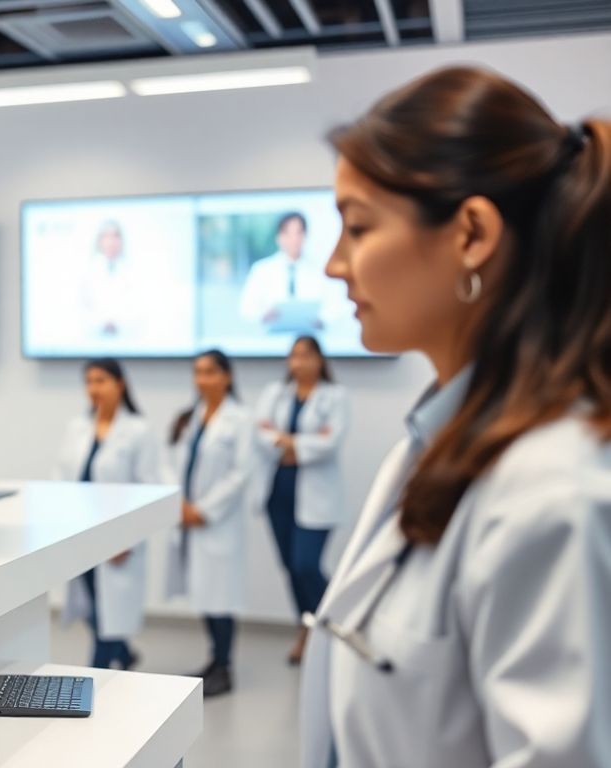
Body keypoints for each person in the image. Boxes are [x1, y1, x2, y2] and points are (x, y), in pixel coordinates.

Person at [300, 66, 611, 768]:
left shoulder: (551, 490)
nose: (333, 265)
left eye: (356, 228)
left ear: (471, 233)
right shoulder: (436, 435)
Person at [252, 336, 349, 665]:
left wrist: (288, 443)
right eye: (293, 356)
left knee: (307, 565)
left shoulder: (335, 396)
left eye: (306, 356)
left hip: (316, 495)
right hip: (278, 491)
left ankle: (337, 629)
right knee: (291, 568)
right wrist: (300, 443)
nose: (298, 362)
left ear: (320, 360)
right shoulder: (274, 393)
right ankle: (306, 630)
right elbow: (259, 433)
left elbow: (331, 442)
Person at [56, 359, 158, 670]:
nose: (94, 388)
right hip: (83, 535)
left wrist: (128, 538)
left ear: (120, 384)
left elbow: (148, 489)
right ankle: (124, 654)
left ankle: (93, 679)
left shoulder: (139, 431)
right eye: (89, 382)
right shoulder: (78, 427)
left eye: (101, 380)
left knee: (107, 614)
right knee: (91, 608)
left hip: (116, 540)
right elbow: (60, 478)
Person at [165, 349, 253, 697]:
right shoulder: (193, 417)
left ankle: (225, 666)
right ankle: (213, 661)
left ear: (226, 376)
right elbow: (174, 464)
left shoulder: (240, 419)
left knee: (221, 598)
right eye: (197, 372)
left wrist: (204, 510)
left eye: (210, 372)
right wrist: (182, 506)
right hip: (188, 517)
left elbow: (241, 473)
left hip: (217, 521)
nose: (202, 379)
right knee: (204, 593)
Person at [239, 213, 345, 334]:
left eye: (298, 233)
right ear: (279, 237)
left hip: (310, 339)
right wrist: (263, 315)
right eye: (288, 233)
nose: (294, 239)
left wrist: (322, 319)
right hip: (271, 342)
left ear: (305, 236)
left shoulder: (320, 270)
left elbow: (336, 305)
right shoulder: (261, 270)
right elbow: (246, 309)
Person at [77, 221, 149, 340]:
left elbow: (139, 309)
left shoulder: (134, 272)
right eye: (106, 236)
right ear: (99, 241)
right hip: (94, 341)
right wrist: (101, 323)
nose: (111, 241)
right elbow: (82, 309)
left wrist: (118, 324)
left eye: (115, 236)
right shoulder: (86, 273)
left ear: (121, 241)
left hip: (126, 340)